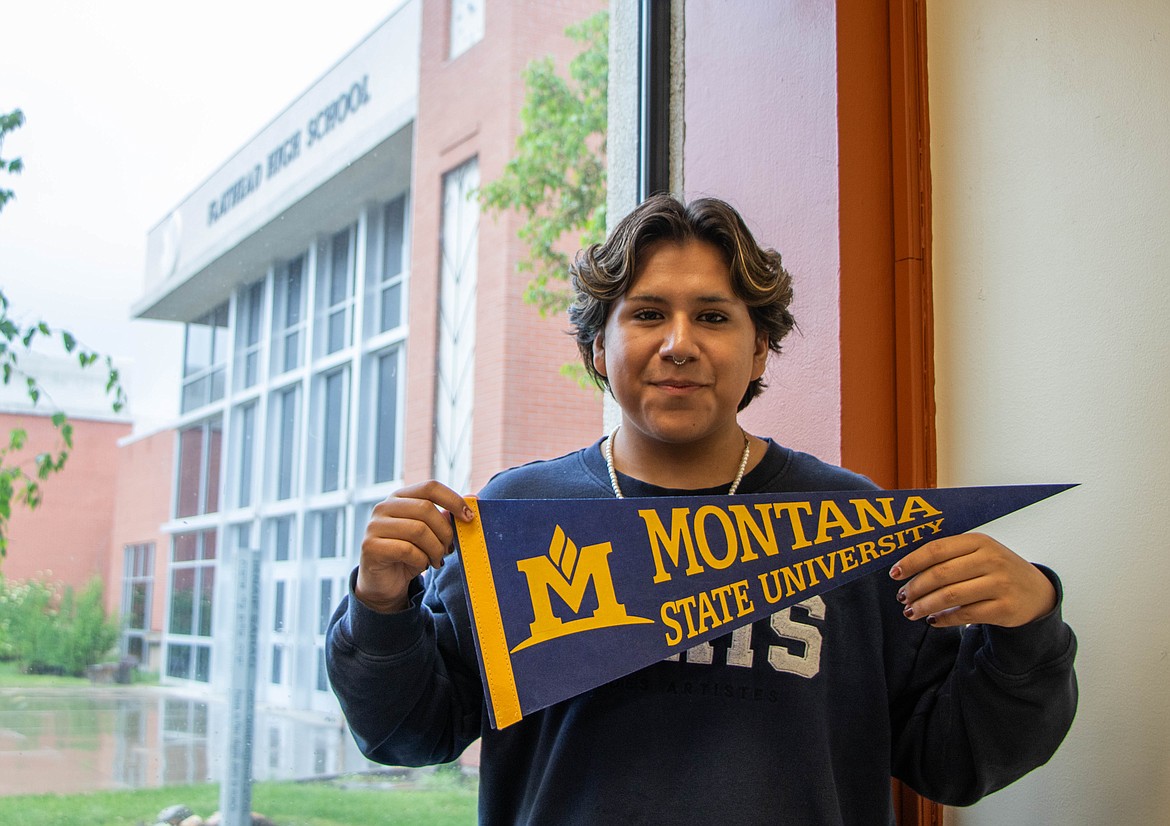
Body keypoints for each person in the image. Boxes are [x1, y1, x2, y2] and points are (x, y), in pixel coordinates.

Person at [326, 195, 1077, 825]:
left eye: (714, 317)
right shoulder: (517, 514)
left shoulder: (852, 520)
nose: (679, 344)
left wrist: (1027, 630)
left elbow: (955, 762)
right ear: (598, 348)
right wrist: (381, 605)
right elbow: (408, 732)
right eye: (647, 313)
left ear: (759, 352)